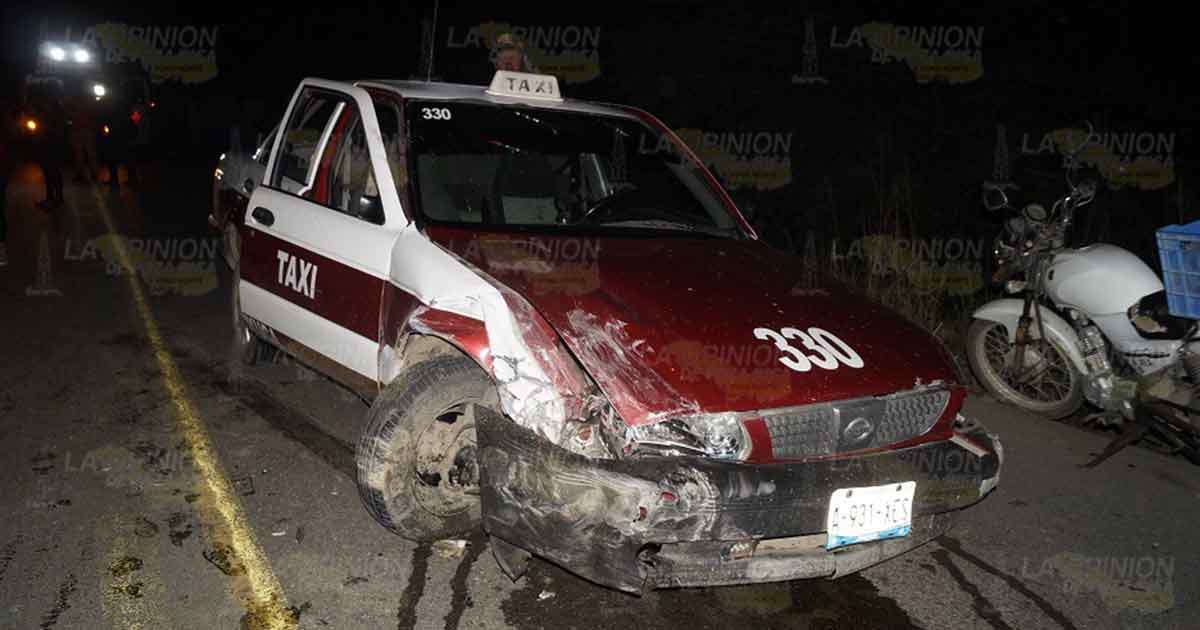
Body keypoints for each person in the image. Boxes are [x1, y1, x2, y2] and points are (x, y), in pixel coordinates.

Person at [35, 90, 68, 209]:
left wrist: (46, 131)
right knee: (49, 172)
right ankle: (52, 197)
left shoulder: (55, 112)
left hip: (52, 144)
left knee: (52, 171)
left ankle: (56, 198)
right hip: (48, 144)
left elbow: (57, 129)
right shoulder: (51, 111)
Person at [67, 92, 99, 184]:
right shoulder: (86, 101)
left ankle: (88, 173)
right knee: (84, 153)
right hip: (82, 129)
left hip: (83, 129)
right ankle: (88, 173)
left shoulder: (75, 101)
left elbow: (69, 115)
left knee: (85, 153)